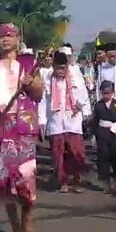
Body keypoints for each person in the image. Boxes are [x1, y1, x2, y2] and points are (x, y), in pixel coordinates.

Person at [0, 23, 44, 232]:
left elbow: (38, 95)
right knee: (4, 180)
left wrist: (31, 83)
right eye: (1, 36)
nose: (5, 39)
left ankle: (27, 222)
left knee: (26, 177)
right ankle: (15, 229)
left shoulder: (29, 64)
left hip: (23, 126)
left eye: (9, 35)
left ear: (17, 39)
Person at [40, 51, 92, 193]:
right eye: (57, 68)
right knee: (58, 154)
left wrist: (83, 110)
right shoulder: (47, 79)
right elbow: (43, 102)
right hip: (55, 122)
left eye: (63, 68)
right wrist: (42, 121)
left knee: (76, 153)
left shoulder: (75, 77)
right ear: (53, 67)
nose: (60, 71)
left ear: (67, 67)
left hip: (73, 120)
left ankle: (77, 178)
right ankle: (63, 182)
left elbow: (84, 96)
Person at [92, 80, 116, 194]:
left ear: (113, 93)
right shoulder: (98, 105)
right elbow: (95, 121)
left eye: (108, 93)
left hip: (115, 133)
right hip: (102, 132)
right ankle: (106, 182)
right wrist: (94, 135)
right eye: (104, 93)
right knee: (103, 157)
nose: (106, 95)